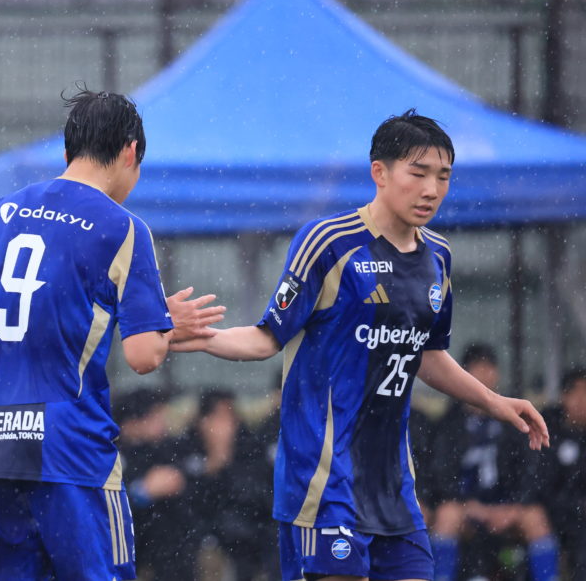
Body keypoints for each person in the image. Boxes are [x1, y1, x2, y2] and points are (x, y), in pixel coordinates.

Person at [173, 109, 550, 581]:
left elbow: (427, 355)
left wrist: (495, 402)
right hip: (324, 480)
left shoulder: (438, 256)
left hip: (393, 487)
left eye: (443, 176)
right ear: (379, 172)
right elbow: (267, 337)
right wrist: (199, 337)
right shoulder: (329, 243)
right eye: (418, 173)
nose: (432, 189)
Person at [0, 86, 225, 580]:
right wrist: (163, 324)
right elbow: (144, 356)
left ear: (67, 152)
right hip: (69, 452)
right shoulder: (121, 228)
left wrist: (9, 335)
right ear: (130, 153)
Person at [427, 343, 559, 581]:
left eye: (490, 368)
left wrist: (514, 506)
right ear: (462, 374)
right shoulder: (450, 424)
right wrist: (469, 505)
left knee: (535, 518)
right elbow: (440, 474)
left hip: (508, 505)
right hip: (465, 506)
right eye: (478, 368)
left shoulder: (514, 420)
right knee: (447, 515)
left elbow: (532, 469)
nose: (485, 375)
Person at [180, 387, 278, 580]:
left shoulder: (251, 449)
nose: (227, 425)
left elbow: (257, 497)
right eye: (219, 417)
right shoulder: (184, 449)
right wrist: (215, 461)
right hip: (202, 538)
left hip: (250, 538)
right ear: (203, 421)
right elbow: (190, 501)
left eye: (230, 417)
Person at [115, 387, 200, 580]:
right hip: (131, 552)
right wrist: (142, 492)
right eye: (155, 417)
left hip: (172, 555)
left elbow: (198, 491)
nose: (163, 423)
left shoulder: (171, 450)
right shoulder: (112, 456)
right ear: (131, 422)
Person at [540, 367, 586, 580]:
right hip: (552, 510)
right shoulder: (546, 429)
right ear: (564, 396)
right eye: (577, 392)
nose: (582, 400)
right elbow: (538, 480)